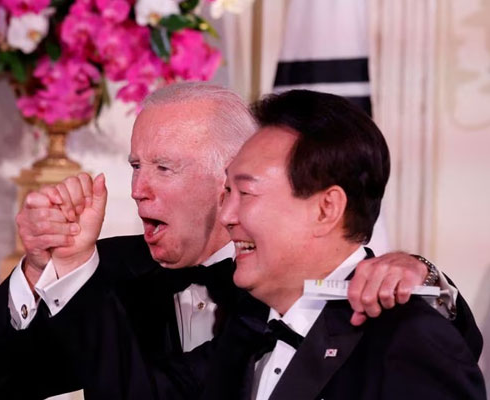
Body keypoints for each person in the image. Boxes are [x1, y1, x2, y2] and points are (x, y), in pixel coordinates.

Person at [0, 83, 477, 399]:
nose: (138, 190)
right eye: (136, 166)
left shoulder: (357, 308)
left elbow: (432, 349)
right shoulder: (102, 273)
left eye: (164, 167)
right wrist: (45, 270)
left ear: (226, 174)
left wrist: (426, 279)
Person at [206, 89, 485, 399]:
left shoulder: (409, 338)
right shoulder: (239, 327)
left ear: (326, 209)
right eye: (227, 192)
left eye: (245, 193)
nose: (226, 216)